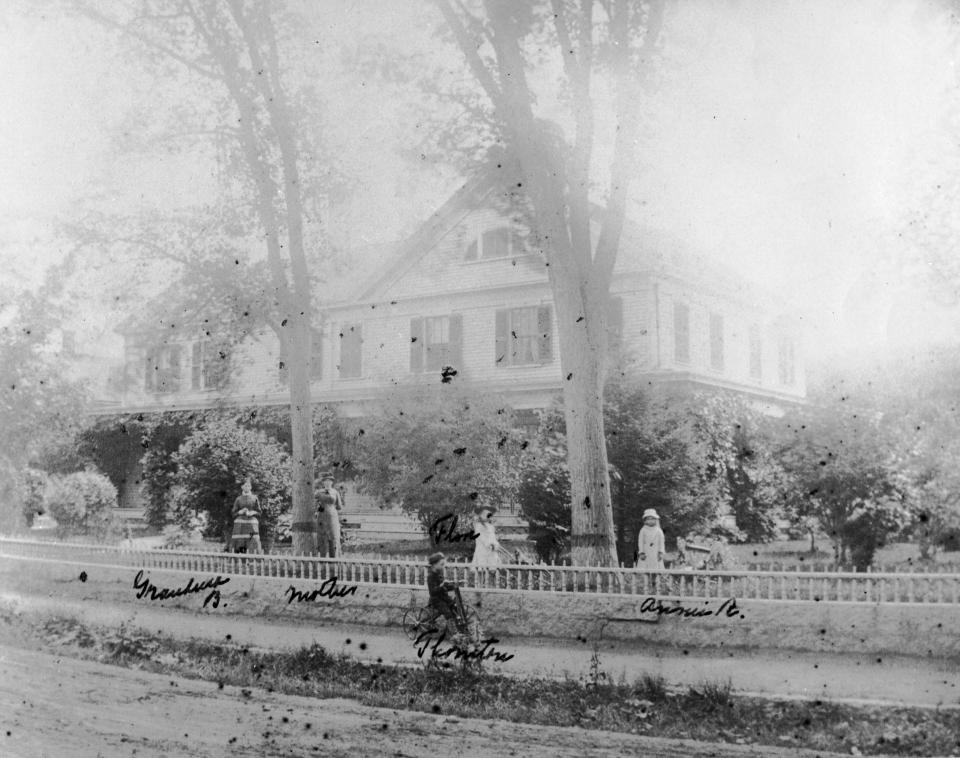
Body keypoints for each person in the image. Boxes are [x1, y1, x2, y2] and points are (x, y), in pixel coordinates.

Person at [427, 552, 463, 632]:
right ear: (434, 565)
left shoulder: (439, 573)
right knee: (448, 613)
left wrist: (454, 585)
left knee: (455, 608)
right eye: (441, 564)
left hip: (444, 597)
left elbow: (445, 586)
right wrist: (442, 585)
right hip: (436, 600)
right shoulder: (431, 576)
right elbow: (432, 592)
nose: (443, 566)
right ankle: (454, 634)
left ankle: (459, 629)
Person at [315, 470, 343, 558]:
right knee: (322, 535)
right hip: (322, 516)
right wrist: (318, 507)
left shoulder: (335, 492)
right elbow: (313, 504)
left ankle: (334, 557)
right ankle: (322, 557)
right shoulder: (318, 492)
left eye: (329, 481)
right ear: (323, 482)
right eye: (325, 481)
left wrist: (331, 506)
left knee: (334, 535)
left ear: (331, 482)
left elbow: (339, 506)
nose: (327, 483)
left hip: (332, 516)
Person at [231, 479, 262, 554]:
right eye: (245, 486)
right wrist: (240, 512)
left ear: (251, 487)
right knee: (240, 541)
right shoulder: (238, 499)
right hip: (240, 525)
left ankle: (253, 561)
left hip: (251, 524)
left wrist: (253, 512)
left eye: (249, 486)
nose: (247, 487)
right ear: (242, 487)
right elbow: (233, 513)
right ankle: (239, 560)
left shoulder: (255, 498)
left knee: (252, 540)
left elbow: (259, 512)